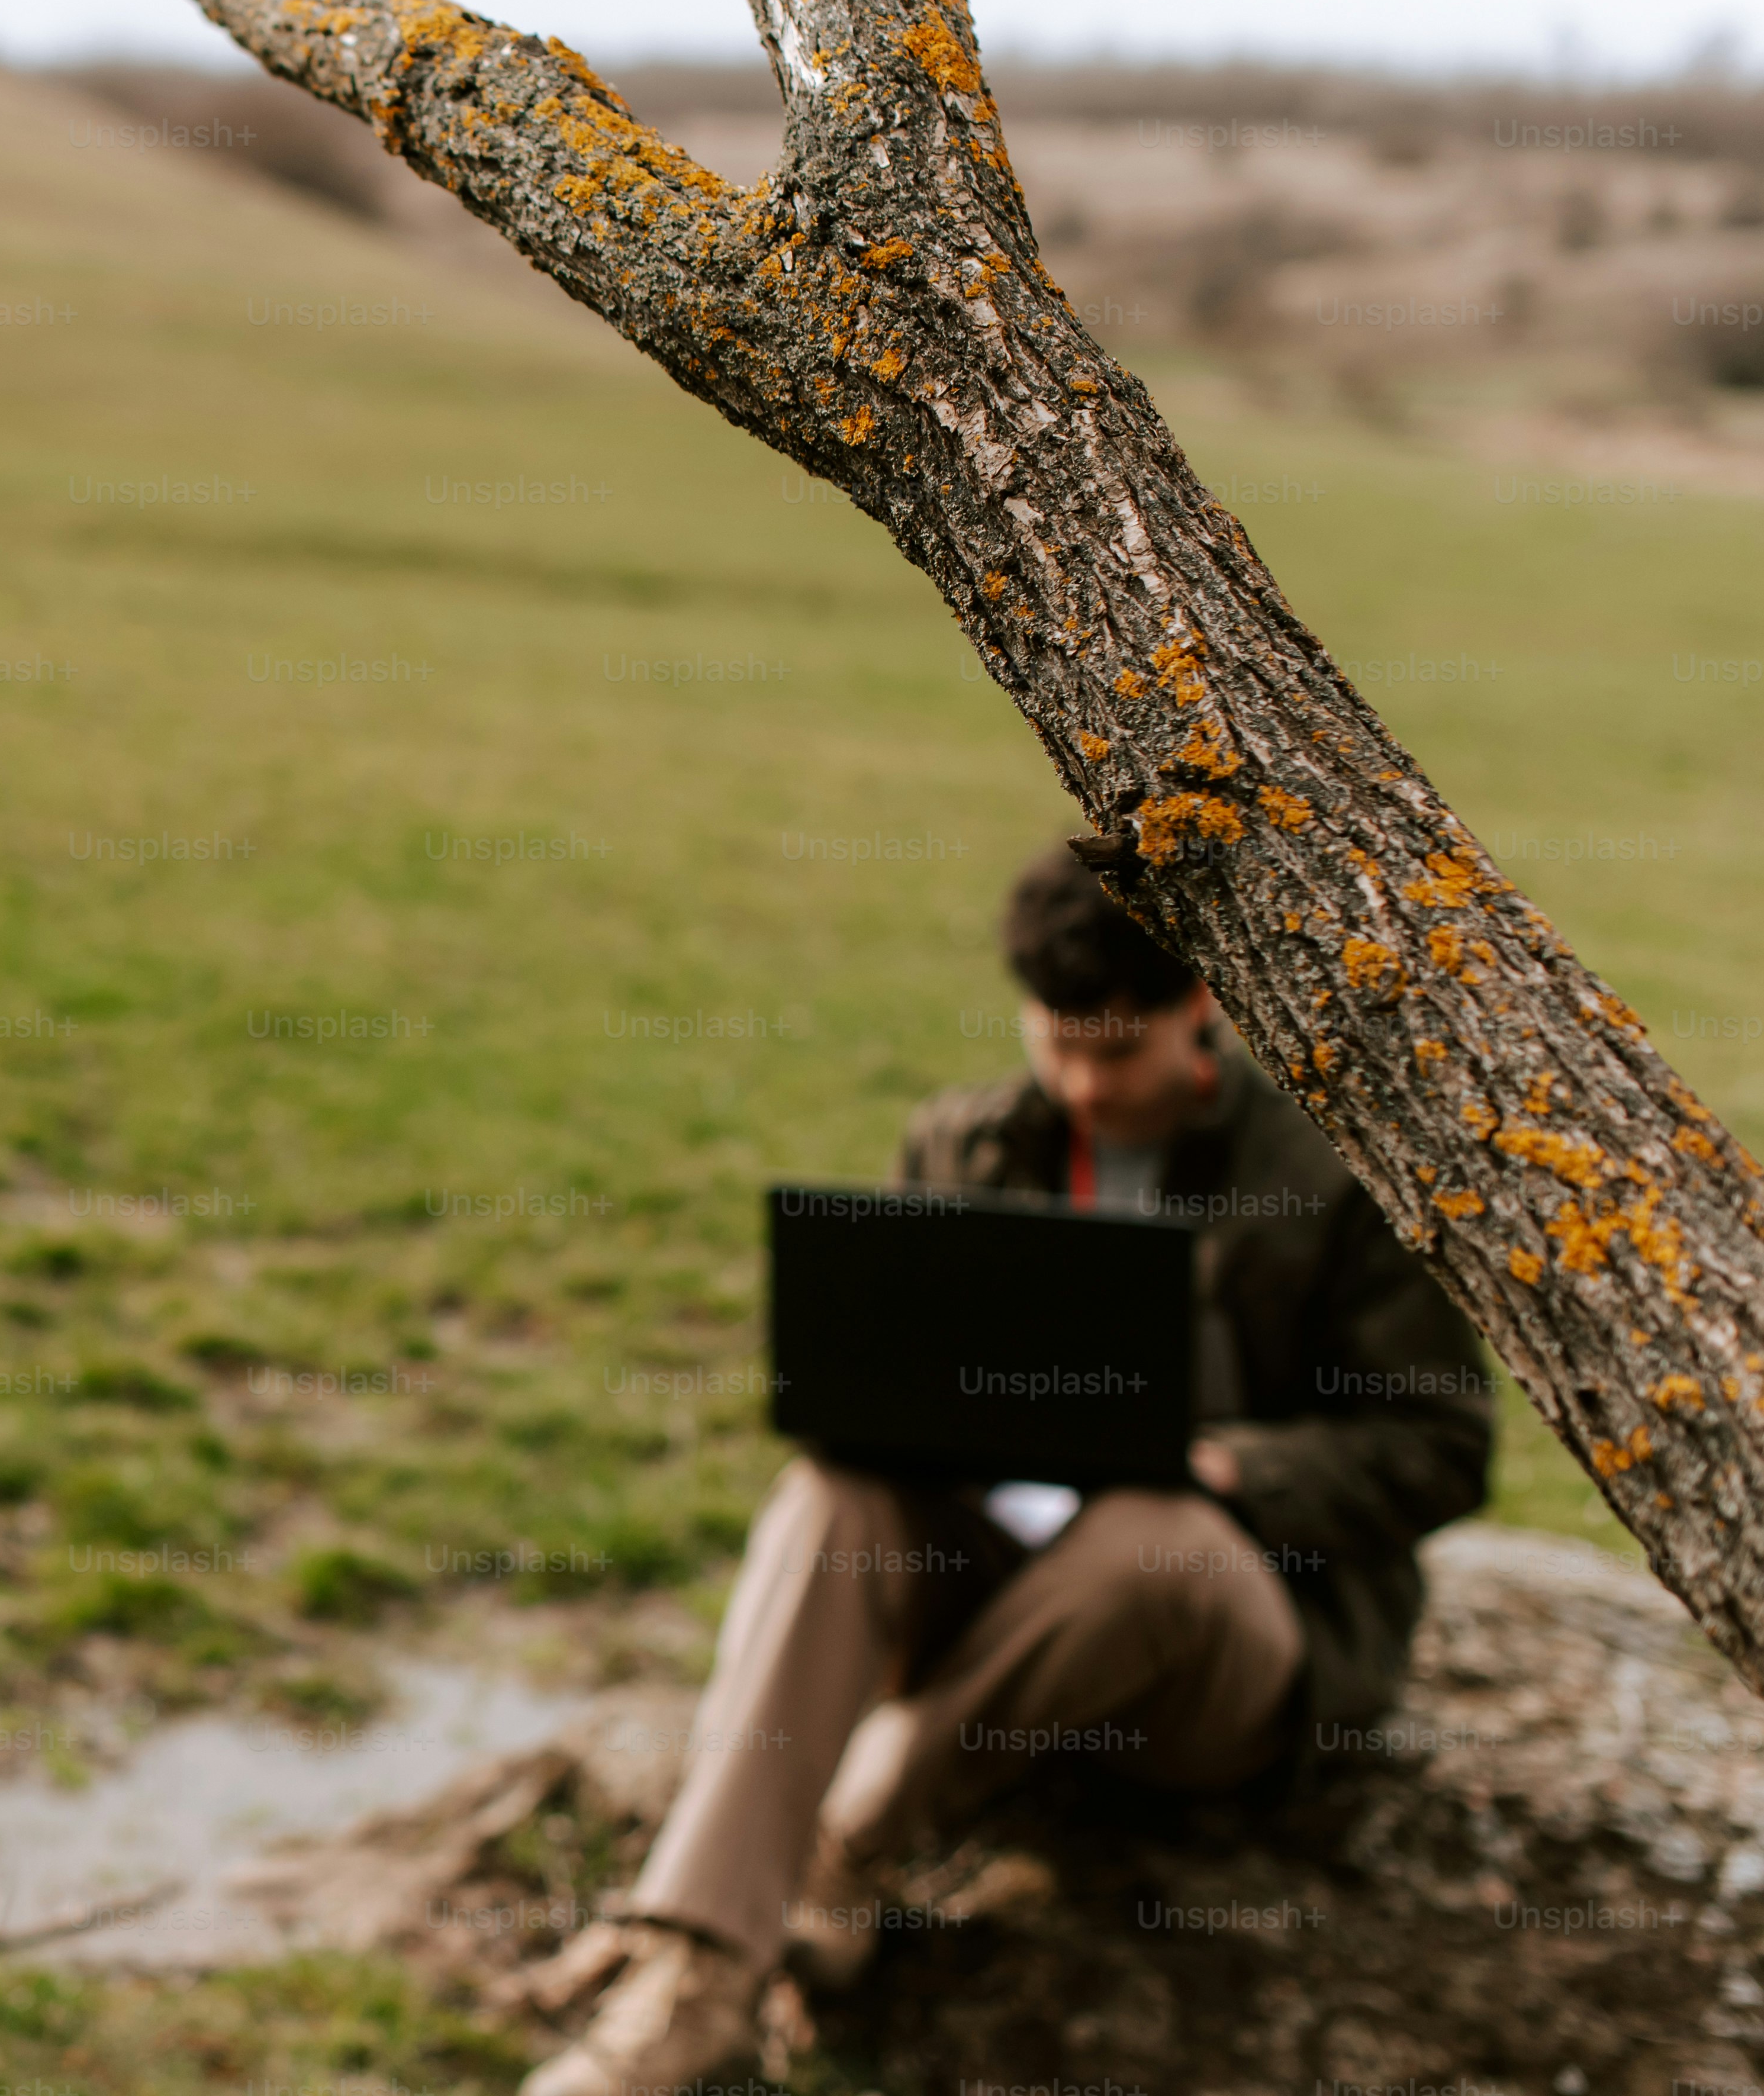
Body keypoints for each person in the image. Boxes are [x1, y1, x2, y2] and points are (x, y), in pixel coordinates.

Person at [523, 845, 1493, 2096]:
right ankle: (694, 1980)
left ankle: (835, 1848)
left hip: (1218, 1645)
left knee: (1156, 1534)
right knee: (831, 1492)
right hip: (989, 1587)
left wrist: (1221, 1465)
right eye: (1058, 1046)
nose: (1084, 1083)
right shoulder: (960, 1139)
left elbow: (1439, 1446)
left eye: (1118, 1053)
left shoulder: (1334, 1176)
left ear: (1199, 1007)